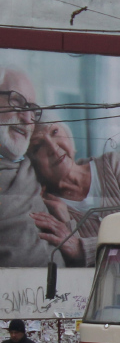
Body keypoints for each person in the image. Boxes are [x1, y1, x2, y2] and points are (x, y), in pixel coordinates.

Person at [27, 122, 120, 267]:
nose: (53, 148)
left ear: (69, 136)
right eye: (38, 145)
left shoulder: (111, 164)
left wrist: (83, 249)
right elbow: (73, 265)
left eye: (54, 132)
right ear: (31, 164)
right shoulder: (48, 207)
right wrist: (67, 221)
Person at [0, 67, 59, 268]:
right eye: (17, 103)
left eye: (33, 110)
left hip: (63, 289)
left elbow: (71, 163)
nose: (27, 119)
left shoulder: (35, 161)